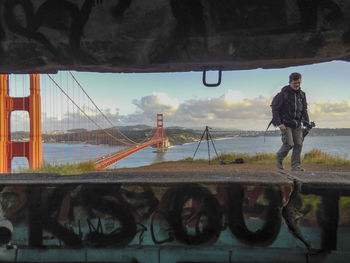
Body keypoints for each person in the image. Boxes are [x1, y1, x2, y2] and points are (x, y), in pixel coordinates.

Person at [272, 72, 310, 171]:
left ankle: (295, 166)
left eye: (298, 83)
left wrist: (307, 123)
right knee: (289, 143)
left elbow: (304, 110)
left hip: (297, 124)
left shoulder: (302, 95)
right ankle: (279, 157)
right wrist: (279, 123)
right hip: (285, 123)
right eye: (294, 83)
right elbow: (275, 109)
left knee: (298, 144)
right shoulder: (283, 94)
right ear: (290, 82)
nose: (297, 85)